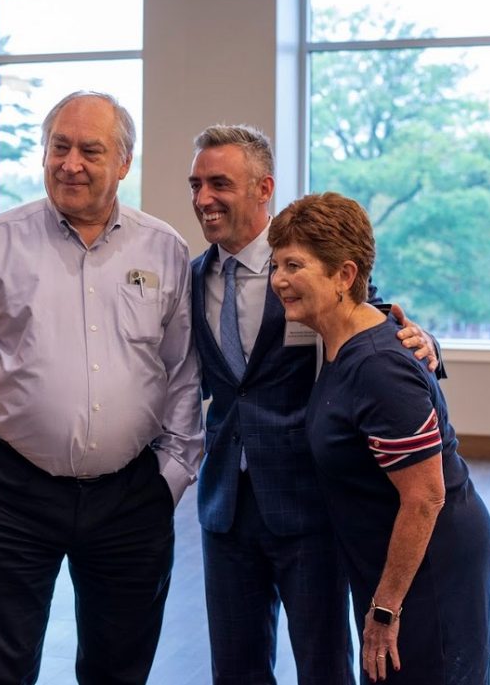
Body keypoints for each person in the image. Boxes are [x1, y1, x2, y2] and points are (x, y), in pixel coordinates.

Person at [0, 91, 203, 685]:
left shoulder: (163, 248)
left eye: (90, 150)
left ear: (124, 163)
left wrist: (173, 473)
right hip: (9, 493)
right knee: (2, 668)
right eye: (59, 146)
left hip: (133, 496)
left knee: (119, 666)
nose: (71, 163)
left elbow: (182, 371)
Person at [187, 125, 441, 685]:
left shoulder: (313, 265)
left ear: (263, 188)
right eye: (196, 183)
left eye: (220, 183)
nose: (204, 198)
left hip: (309, 507)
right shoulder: (193, 277)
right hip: (224, 508)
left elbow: (374, 318)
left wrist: (428, 343)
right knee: (233, 669)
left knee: (324, 667)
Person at [269, 191, 490, 684]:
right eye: (275, 264)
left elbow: (425, 498)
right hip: (391, 563)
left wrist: (387, 610)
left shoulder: (376, 367)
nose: (278, 280)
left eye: (293, 265)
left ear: (344, 275)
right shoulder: (344, 342)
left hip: (430, 568)